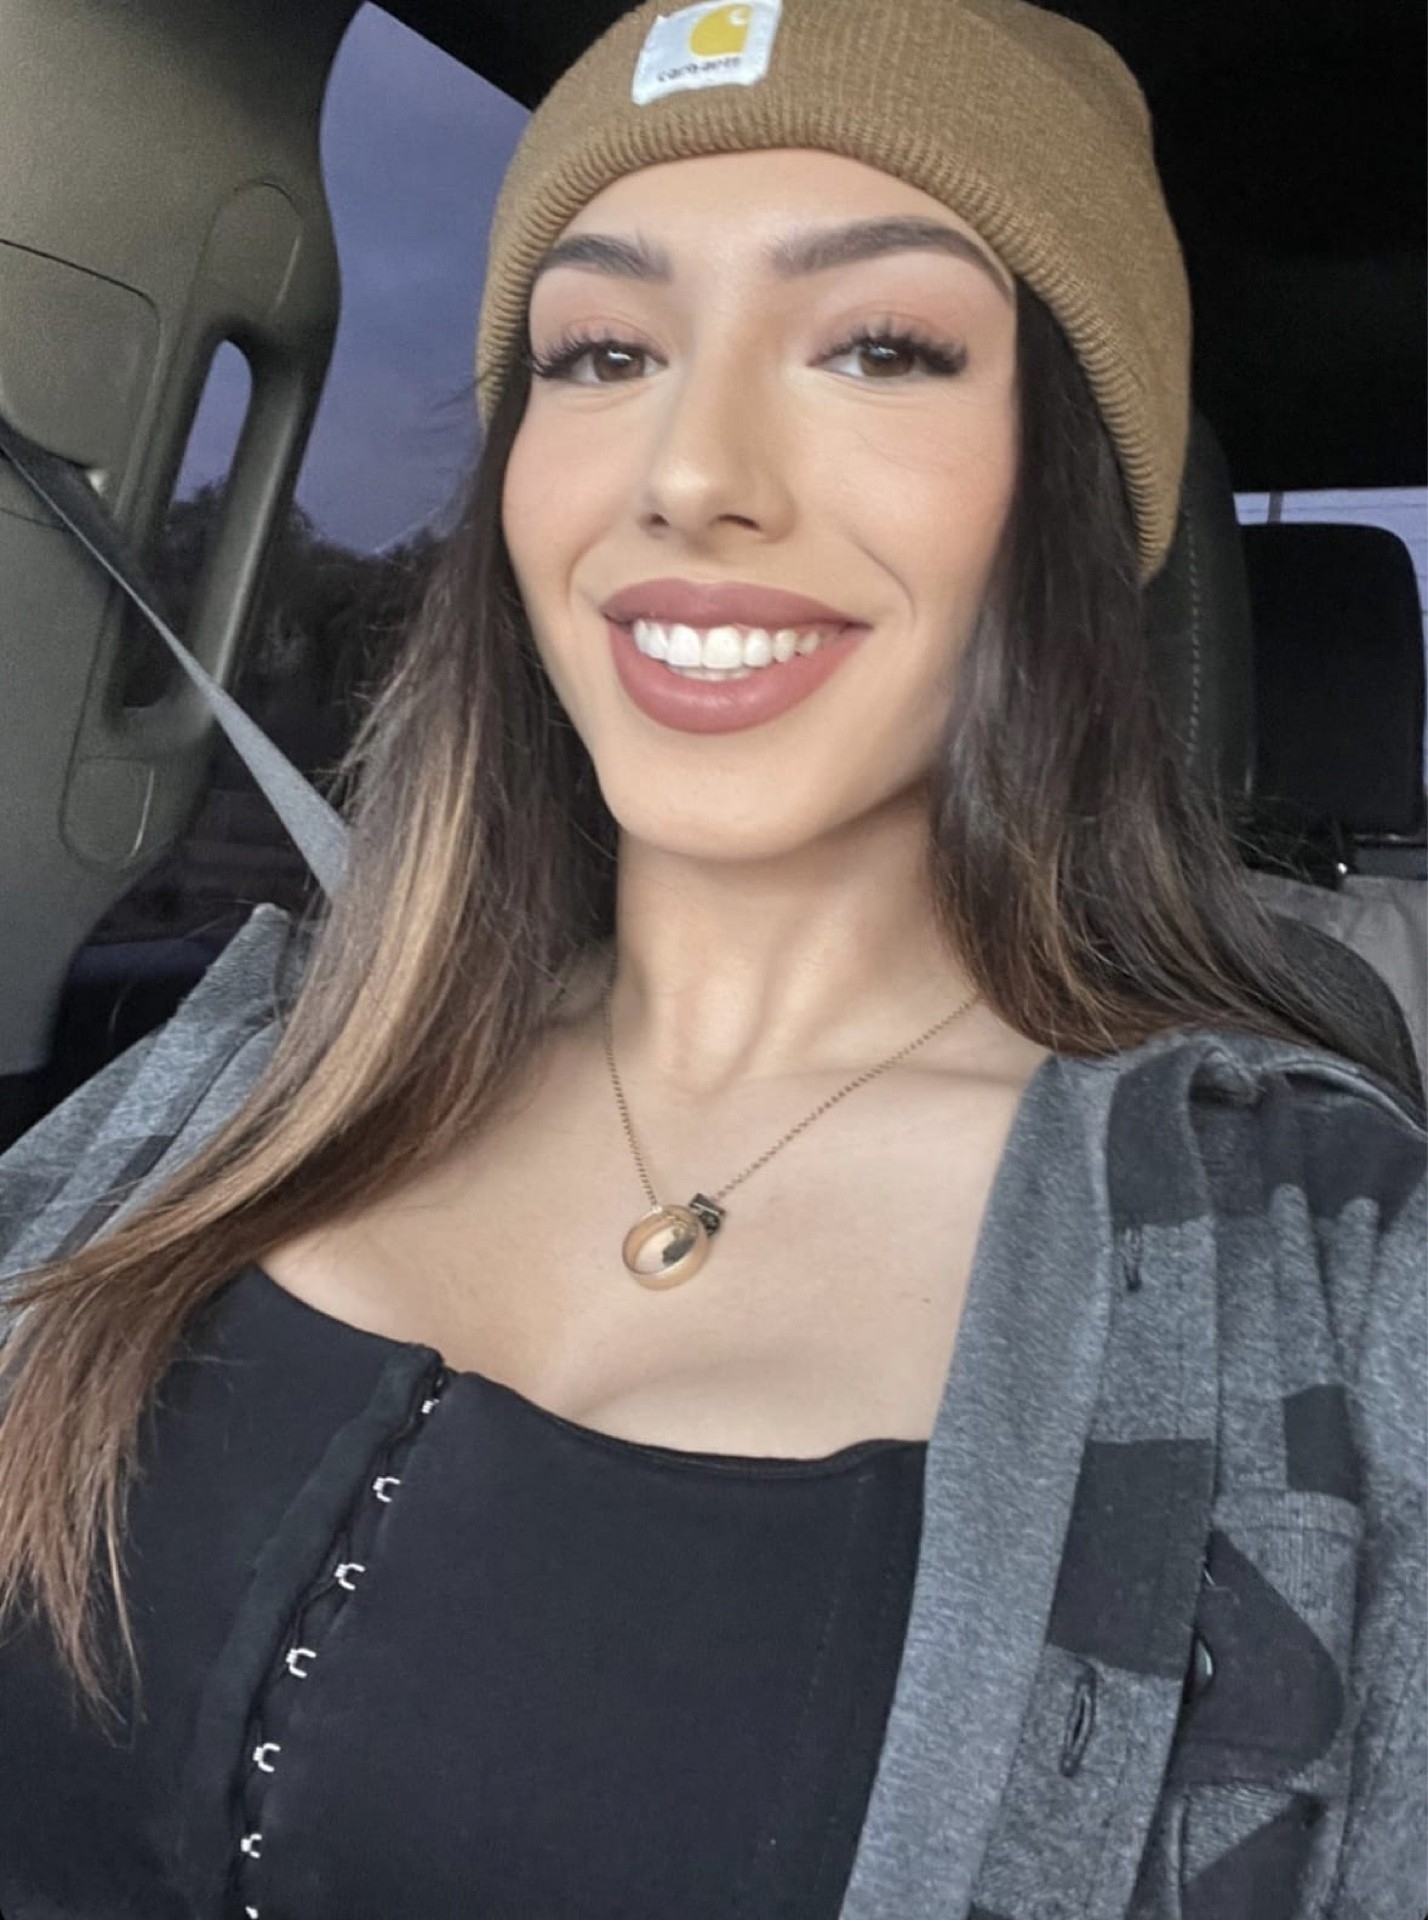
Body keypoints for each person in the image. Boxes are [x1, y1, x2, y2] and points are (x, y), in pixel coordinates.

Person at [0, 1, 1423, 1915]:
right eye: (603, 352)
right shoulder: (240, 1069)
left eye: (879, 346)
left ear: (1067, 499)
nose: (690, 471)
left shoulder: (1328, 1281)